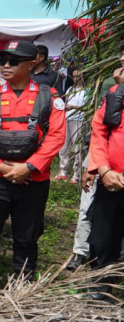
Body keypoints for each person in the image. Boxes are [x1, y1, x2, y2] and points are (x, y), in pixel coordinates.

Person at [0, 40, 66, 290]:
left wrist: (29, 167)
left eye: (13, 61)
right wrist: (3, 168)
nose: (5, 66)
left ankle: (22, 283)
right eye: (3, 61)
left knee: (27, 235)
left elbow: (56, 136)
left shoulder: (49, 96)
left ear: (32, 63)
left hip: (33, 180)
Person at [86, 70, 124, 297]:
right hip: (110, 180)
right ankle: (101, 285)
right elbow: (99, 132)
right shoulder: (114, 94)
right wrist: (103, 169)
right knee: (102, 237)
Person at [56, 71, 87, 182]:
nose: (76, 78)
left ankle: (77, 173)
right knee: (64, 145)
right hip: (67, 118)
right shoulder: (70, 89)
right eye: (74, 76)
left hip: (80, 119)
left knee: (78, 147)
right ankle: (62, 170)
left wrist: (73, 107)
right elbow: (65, 103)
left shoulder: (87, 90)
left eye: (78, 76)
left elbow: (88, 107)